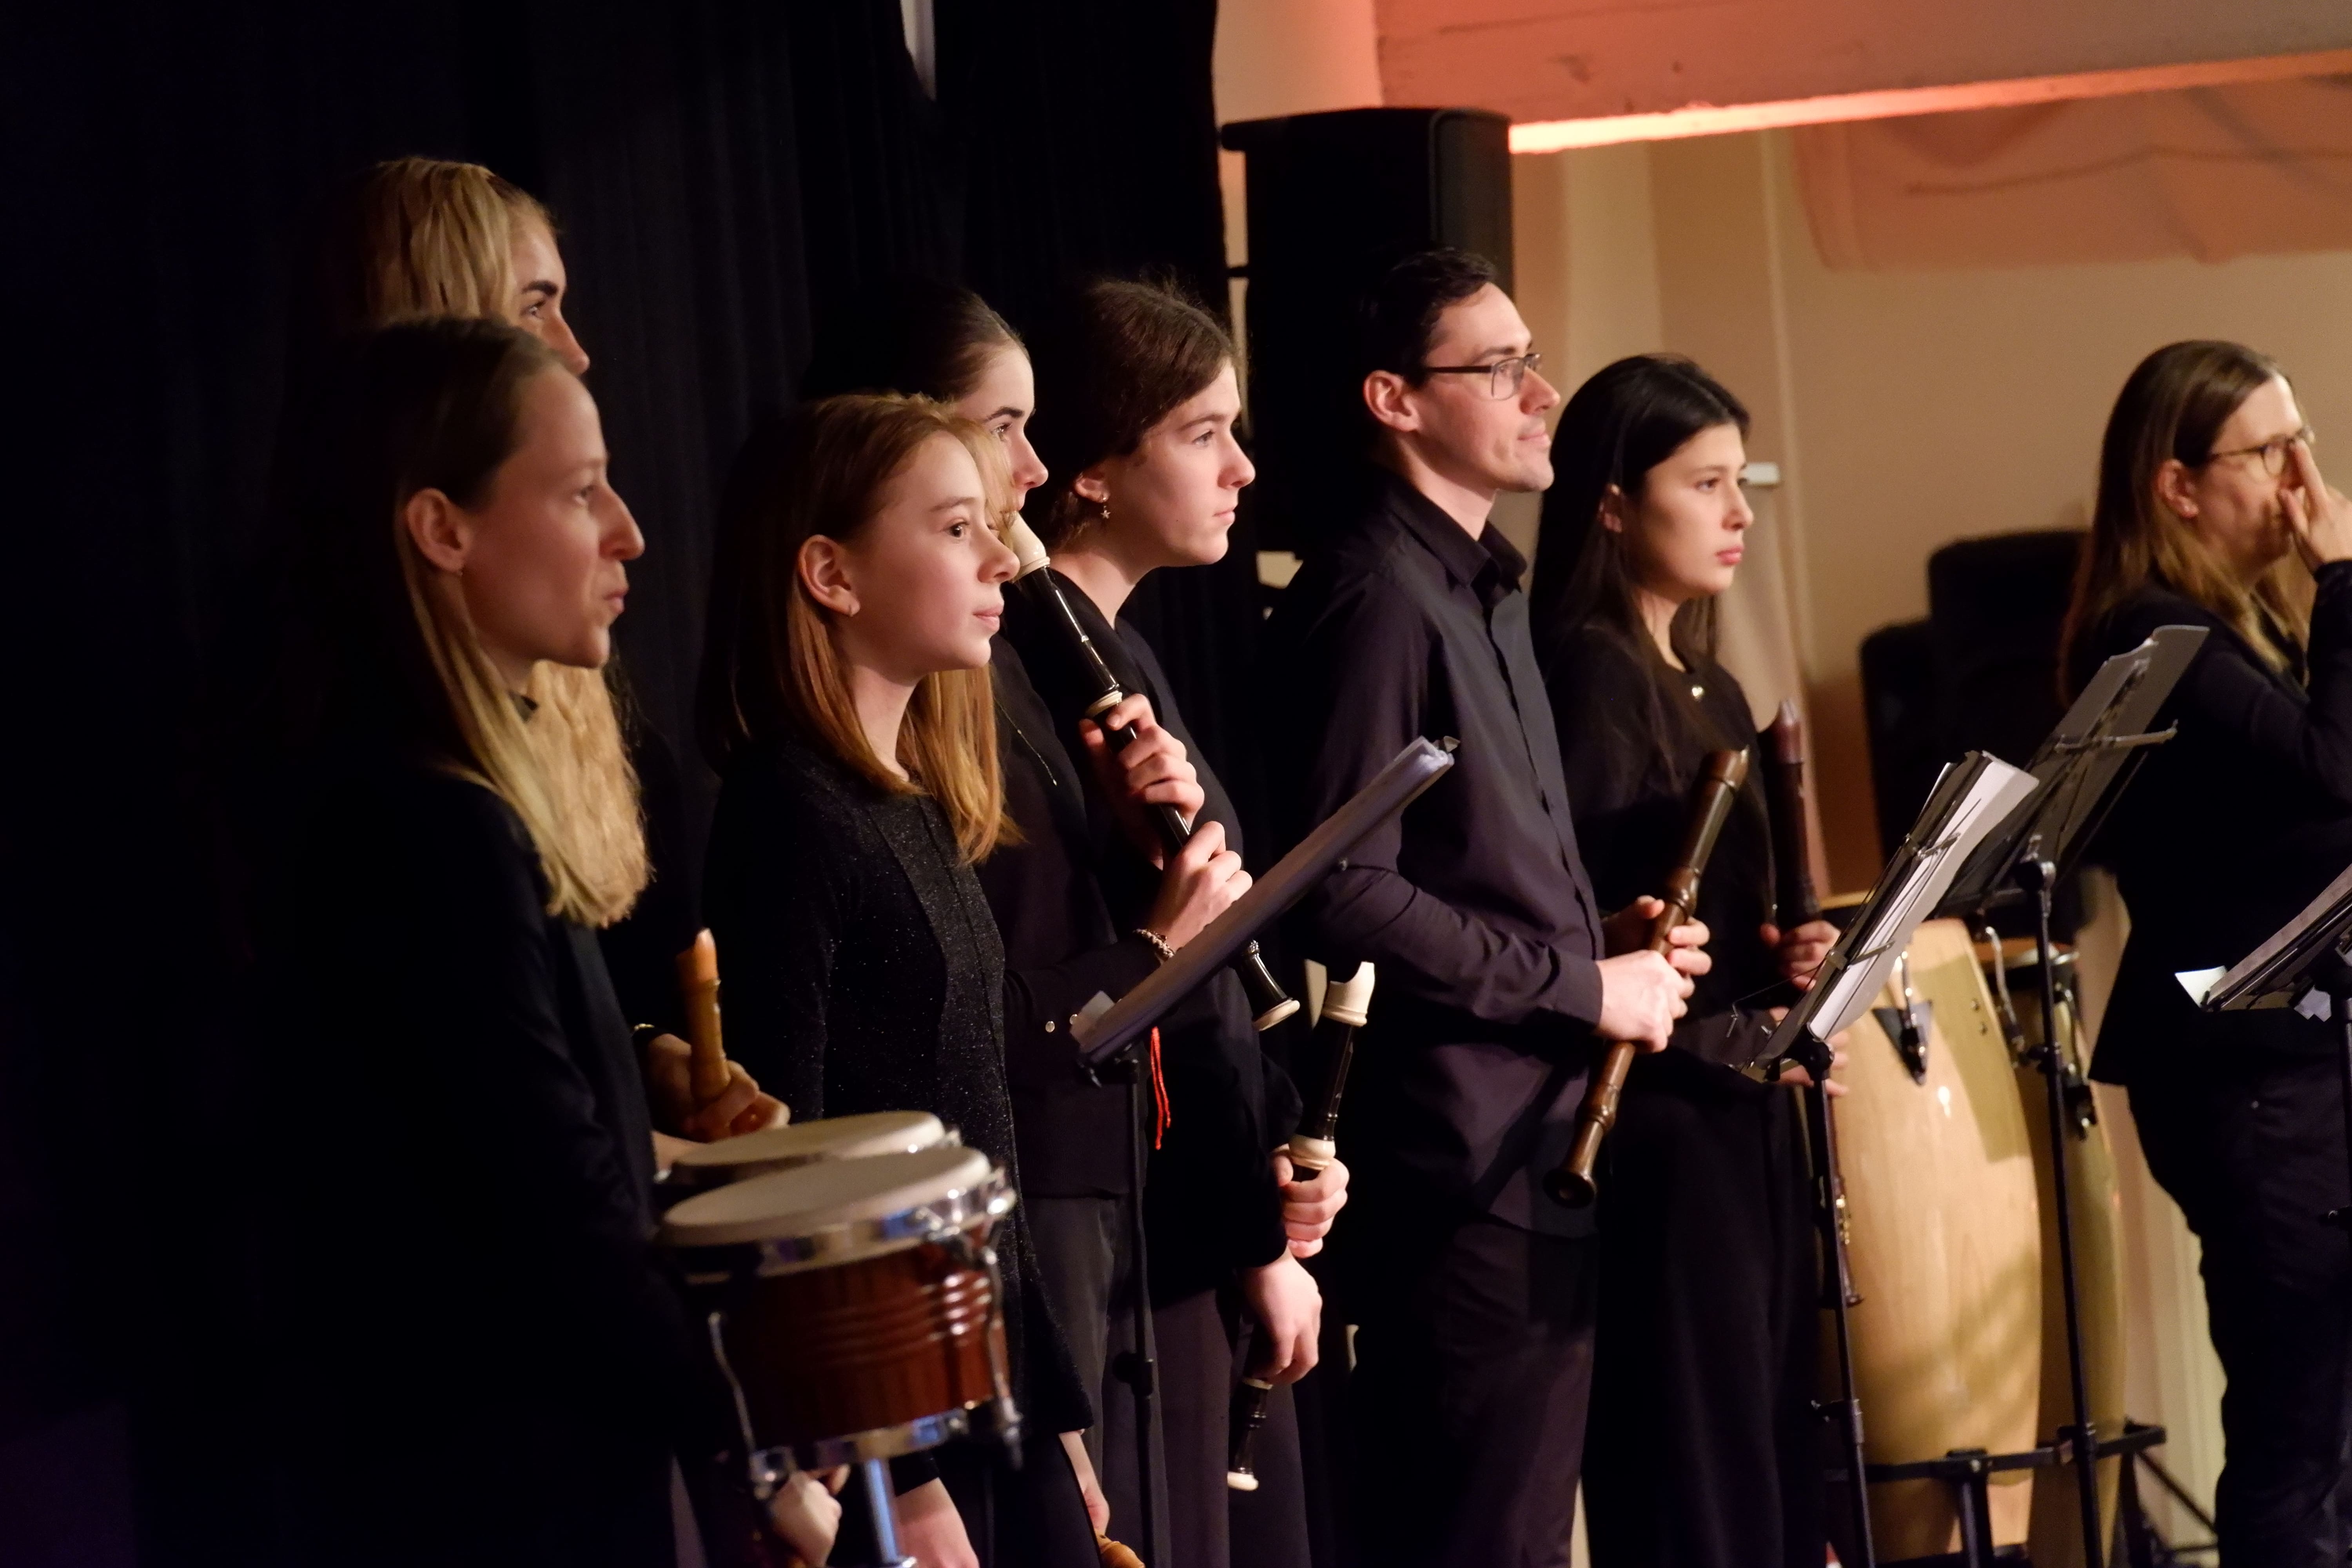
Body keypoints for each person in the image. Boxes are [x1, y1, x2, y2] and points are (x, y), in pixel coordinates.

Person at [800, 277, 1344, 1564]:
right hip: (1042, 1207)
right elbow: (962, 1030)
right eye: (1003, 430)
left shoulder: (1058, 673)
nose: (1031, 471)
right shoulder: (915, 730)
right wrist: (1159, 942)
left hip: (1113, 1195)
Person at [250, 318, 786, 1565]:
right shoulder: (430, 824)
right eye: (580, 491)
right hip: (502, 1492)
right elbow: (563, 1216)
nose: (630, 534)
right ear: (441, 528)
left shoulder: (429, 803)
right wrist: (759, 1453)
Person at [1258, 248, 1701, 1568]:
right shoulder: (1378, 599)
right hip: (1457, 1167)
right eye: (1500, 368)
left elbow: (1459, 872)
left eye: (1532, 359)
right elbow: (1343, 888)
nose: (1542, 391)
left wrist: (1599, 943)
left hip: (1534, 1145)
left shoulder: (1482, 590)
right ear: (1395, 399)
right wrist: (1583, 989)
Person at [697, 392, 1101, 1568]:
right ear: (832, 572)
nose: (999, 559)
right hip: (900, 1426)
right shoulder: (791, 810)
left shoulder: (903, 801)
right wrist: (904, 1475)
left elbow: (973, 1134)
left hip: (989, 1389)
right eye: (956, 528)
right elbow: (795, 1171)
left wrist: (1054, 1415)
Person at [1016, 277, 1339, 1568]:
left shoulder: (1127, 658)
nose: (1244, 468)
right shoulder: (1047, 675)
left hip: (1201, 1212)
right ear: (1093, 470)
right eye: (1204, 432)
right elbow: (1152, 978)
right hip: (1144, 1232)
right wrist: (1252, 1223)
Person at [1532, 354, 1838, 1568]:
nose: (1739, 511)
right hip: (1663, 1125)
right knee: (1694, 1461)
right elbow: (1606, 917)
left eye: (1741, 480)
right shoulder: (1587, 675)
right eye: (1704, 482)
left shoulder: (1706, 680)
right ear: (1613, 505)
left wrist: (1786, 951)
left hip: (1740, 1108)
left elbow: (1725, 911)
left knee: (1764, 1438)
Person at [2062, 340, 2352, 1567]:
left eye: (2306, 442)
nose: (2303, 479)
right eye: (2269, 453)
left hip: (2293, 1054)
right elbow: (2340, 778)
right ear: (2180, 487)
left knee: (2327, 1425)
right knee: (2295, 1427)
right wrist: (2345, 580)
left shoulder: (2242, 626)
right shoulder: (2158, 635)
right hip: (2240, 1071)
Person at [309, 156, 704, 1051]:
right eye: (533, 307)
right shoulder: (380, 758)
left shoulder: (550, 657)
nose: (573, 348)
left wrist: (646, 1057)